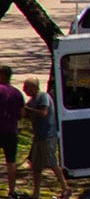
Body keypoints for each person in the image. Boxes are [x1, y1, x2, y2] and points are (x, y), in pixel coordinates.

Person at [21, 77, 66, 199]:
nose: (24, 90)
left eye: (26, 87)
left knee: (52, 163)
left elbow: (43, 113)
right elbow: (25, 115)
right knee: (36, 166)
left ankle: (65, 188)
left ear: (34, 87)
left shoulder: (43, 97)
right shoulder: (32, 100)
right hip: (38, 137)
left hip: (48, 136)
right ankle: (36, 193)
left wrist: (27, 109)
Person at [0, 66, 25, 198]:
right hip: (11, 131)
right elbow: (22, 113)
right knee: (11, 161)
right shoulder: (17, 93)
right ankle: (12, 191)